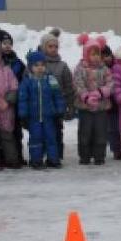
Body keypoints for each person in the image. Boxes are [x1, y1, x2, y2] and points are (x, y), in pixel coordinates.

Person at [17, 50, 65, 169]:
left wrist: (60, 109)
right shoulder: (27, 81)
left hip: (49, 116)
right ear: (30, 67)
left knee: (51, 138)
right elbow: (23, 98)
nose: (40, 68)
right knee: (36, 139)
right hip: (34, 118)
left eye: (42, 65)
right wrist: (23, 113)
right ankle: (36, 160)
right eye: (36, 65)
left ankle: (53, 159)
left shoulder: (51, 79)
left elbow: (57, 95)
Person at [73, 34, 113, 165]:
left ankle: (99, 156)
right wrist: (86, 96)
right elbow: (77, 84)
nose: (95, 57)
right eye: (92, 54)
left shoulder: (105, 69)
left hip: (101, 107)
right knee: (85, 133)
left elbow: (111, 84)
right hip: (85, 108)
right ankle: (84, 156)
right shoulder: (80, 69)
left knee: (100, 133)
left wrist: (100, 93)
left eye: (97, 54)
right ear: (86, 54)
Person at [39, 29, 75, 159]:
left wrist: (71, 106)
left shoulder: (62, 66)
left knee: (57, 132)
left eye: (56, 46)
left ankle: (56, 157)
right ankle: (39, 156)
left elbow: (69, 88)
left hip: (57, 107)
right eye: (50, 46)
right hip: (40, 107)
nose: (53, 49)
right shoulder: (35, 64)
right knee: (40, 133)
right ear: (43, 47)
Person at [0, 27, 25, 166]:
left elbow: (14, 86)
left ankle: (13, 160)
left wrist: (8, 100)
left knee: (9, 135)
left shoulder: (8, 70)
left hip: (8, 109)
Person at [101, 45, 121, 160]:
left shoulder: (118, 67)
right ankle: (117, 150)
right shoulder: (99, 70)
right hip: (108, 104)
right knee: (113, 129)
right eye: (103, 56)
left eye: (108, 55)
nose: (106, 58)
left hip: (120, 102)